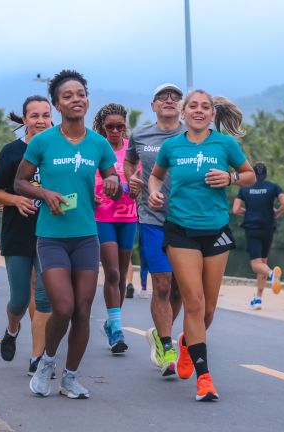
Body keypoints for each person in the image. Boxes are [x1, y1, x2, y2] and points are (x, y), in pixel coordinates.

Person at [14, 69, 120, 399]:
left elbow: (112, 180)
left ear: (87, 99)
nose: (76, 100)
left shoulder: (99, 143)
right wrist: (44, 194)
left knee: (83, 310)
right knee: (63, 307)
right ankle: (47, 361)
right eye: (68, 96)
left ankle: (70, 377)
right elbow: (19, 183)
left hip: (87, 236)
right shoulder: (44, 141)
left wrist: (114, 184)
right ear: (58, 105)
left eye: (80, 94)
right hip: (51, 236)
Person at [148, 90, 255, 401]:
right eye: (192, 106)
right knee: (193, 302)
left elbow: (250, 175)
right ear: (183, 112)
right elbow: (156, 177)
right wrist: (155, 192)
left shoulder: (225, 144)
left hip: (216, 230)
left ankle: (186, 344)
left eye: (204, 107)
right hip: (180, 230)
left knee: (207, 310)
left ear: (212, 113)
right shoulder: (172, 146)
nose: (198, 111)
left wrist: (231, 176)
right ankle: (204, 378)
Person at [124, 83, 186, 377]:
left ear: (181, 105)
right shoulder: (140, 134)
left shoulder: (191, 134)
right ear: (153, 105)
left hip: (187, 221)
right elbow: (128, 161)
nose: (169, 100)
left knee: (179, 289)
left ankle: (161, 333)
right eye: (163, 97)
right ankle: (167, 345)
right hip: (152, 218)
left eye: (174, 97)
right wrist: (132, 181)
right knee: (161, 284)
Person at [0, 95, 54, 375]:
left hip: (50, 234)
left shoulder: (58, 149)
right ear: (25, 120)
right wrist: (15, 200)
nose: (41, 121)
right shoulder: (12, 151)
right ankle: (12, 328)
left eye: (45, 115)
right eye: (34, 116)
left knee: (44, 299)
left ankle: (38, 358)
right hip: (17, 234)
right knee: (18, 300)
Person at [91, 103, 137, 354]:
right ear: (102, 127)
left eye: (120, 126)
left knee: (120, 271)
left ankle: (112, 321)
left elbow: (140, 180)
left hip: (128, 217)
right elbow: (85, 178)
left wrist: (133, 189)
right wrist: (91, 195)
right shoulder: (96, 148)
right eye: (110, 127)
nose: (116, 131)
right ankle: (117, 330)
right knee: (112, 272)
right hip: (103, 217)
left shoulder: (133, 149)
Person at [232, 162, 284, 309]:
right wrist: (277, 213)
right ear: (265, 174)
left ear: (252, 173)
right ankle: (258, 298)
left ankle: (272, 275)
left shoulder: (244, 188)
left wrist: (247, 213)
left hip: (252, 229)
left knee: (256, 265)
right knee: (262, 262)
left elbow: (236, 209)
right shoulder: (273, 187)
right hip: (268, 229)